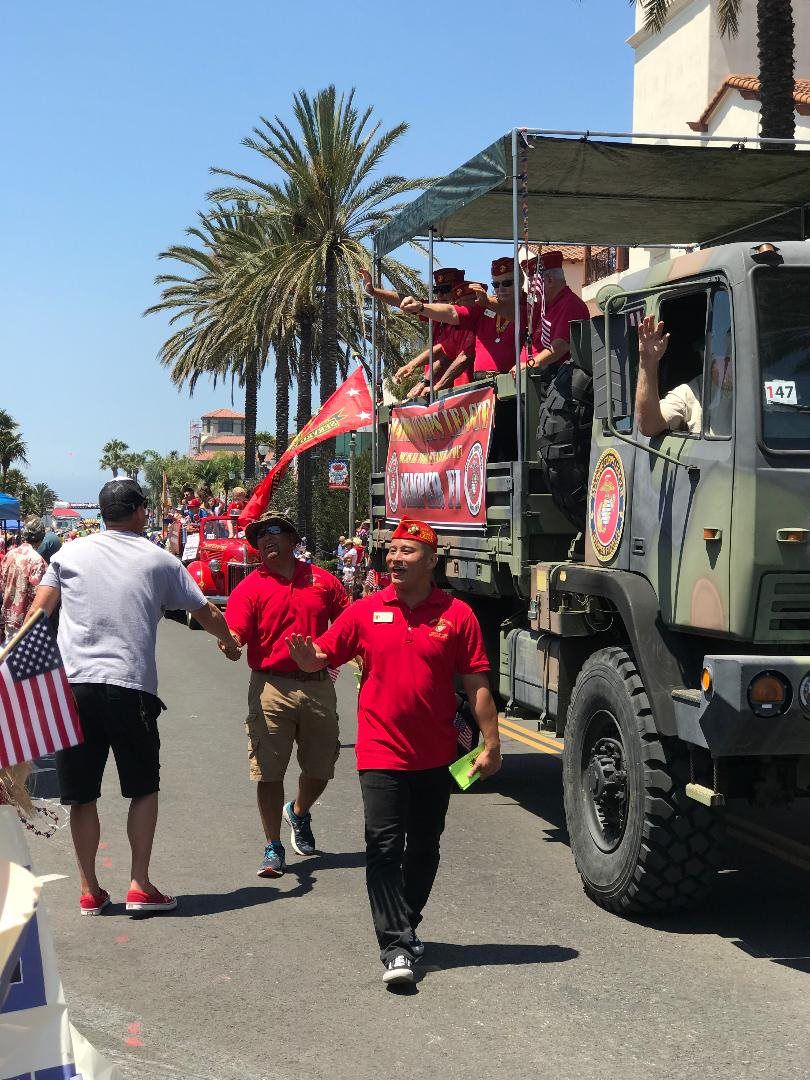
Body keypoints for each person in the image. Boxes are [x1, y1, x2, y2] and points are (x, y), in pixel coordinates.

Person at [287, 518, 501, 986]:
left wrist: (491, 741)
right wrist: (310, 659)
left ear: (432, 561)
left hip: (438, 754)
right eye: (392, 551)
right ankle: (396, 945)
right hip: (380, 752)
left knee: (425, 847)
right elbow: (326, 652)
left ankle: (405, 922)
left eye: (406, 552)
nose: (395, 559)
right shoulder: (366, 610)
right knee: (384, 846)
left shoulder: (457, 615)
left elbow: (476, 681)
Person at [28, 478, 242, 917]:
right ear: (141, 511)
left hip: (74, 688)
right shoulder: (159, 559)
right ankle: (139, 884)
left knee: (80, 795)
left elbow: (38, 613)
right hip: (130, 687)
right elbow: (206, 611)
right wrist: (231, 643)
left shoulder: (68, 553)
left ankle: (89, 889)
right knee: (143, 788)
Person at [223, 510, 348, 878]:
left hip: (317, 685)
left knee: (322, 767)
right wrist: (228, 645)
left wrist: (334, 655)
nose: (266, 539)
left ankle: (298, 811)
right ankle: (273, 845)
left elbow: (349, 627)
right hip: (270, 688)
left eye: (275, 531)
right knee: (268, 771)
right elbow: (236, 637)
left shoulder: (324, 583)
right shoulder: (249, 588)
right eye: (260, 535)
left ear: (294, 540)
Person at [0, 517, 46, 644]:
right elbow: (39, 595)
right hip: (27, 622)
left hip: (8, 618)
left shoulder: (10, 554)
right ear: (41, 537)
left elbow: (2, 584)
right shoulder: (37, 561)